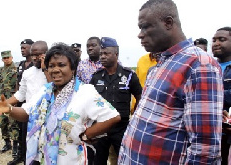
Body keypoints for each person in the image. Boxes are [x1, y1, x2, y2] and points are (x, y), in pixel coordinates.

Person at [118, 0, 223, 164]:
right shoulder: (163, 61)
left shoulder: (199, 64)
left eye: (145, 27)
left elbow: (205, 148)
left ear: (168, 23)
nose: (140, 34)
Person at [0, 43, 121, 165]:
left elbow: (113, 117)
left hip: (72, 159)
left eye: (61, 65)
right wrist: (8, 108)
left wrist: (87, 134)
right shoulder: (46, 91)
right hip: (44, 157)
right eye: (51, 66)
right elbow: (27, 113)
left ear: (72, 68)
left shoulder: (84, 91)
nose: (55, 70)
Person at [90, 37, 142, 165]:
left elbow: (140, 97)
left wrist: (135, 117)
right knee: (98, 161)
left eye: (106, 53)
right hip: (100, 127)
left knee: (124, 160)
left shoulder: (129, 75)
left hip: (121, 128)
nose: (102, 56)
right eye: (101, 54)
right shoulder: (96, 77)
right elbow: (88, 98)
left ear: (116, 55)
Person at [0, 41, 50, 164]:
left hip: (48, 119)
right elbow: (21, 94)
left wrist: (45, 68)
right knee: (30, 153)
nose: (35, 58)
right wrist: (3, 104)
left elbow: (54, 87)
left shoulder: (53, 71)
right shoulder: (28, 72)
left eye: (39, 55)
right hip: (30, 117)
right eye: (33, 55)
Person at [9, 39, 34, 165]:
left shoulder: (38, 66)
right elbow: (19, 86)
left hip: (32, 105)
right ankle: (21, 155)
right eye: (21, 48)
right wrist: (13, 100)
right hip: (20, 102)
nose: (22, 50)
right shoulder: (21, 65)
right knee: (20, 131)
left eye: (25, 47)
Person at [0, 50, 19, 155]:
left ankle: (16, 146)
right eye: (4, 58)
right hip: (0, 100)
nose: (6, 59)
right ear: (2, 59)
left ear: (12, 57)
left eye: (8, 57)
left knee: (13, 123)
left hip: (11, 101)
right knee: (2, 122)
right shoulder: (0, 71)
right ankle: (7, 143)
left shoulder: (16, 70)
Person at [212, 27, 231, 164]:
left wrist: (208, 96)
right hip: (209, 130)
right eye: (214, 40)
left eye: (222, 39)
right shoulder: (208, 66)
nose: (216, 43)